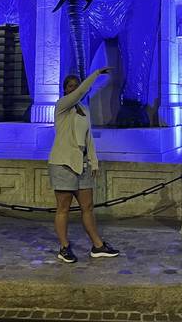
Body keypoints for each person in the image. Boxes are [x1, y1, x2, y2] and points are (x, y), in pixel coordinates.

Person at [48, 67, 119, 263]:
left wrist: (94, 162)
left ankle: (98, 246)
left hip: (82, 163)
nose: (73, 89)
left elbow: (89, 140)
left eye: (75, 86)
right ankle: (64, 247)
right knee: (63, 207)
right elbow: (81, 93)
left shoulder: (84, 110)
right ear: (65, 90)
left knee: (87, 206)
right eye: (70, 86)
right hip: (63, 163)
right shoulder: (61, 106)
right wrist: (96, 74)